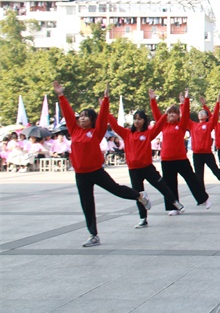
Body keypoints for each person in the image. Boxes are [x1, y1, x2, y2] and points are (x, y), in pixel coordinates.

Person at [54, 81, 152, 247]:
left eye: (86, 116)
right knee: (87, 204)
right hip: (81, 174)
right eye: (81, 115)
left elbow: (103, 117)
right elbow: (69, 114)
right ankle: (93, 235)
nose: (82, 118)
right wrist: (61, 95)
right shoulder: (74, 130)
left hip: (96, 171)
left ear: (92, 120)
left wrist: (106, 99)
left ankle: (139, 196)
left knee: (116, 190)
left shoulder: (96, 132)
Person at [108, 104, 185, 228]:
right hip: (133, 169)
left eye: (139, 119)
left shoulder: (148, 133)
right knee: (139, 195)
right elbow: (114, 126)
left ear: (144, 121)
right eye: (135, 119)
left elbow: (159, 126)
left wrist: (165, 114)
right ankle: (143, 218)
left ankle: (175, 202)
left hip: (147, 167)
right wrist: (106, 109)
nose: (137, 121)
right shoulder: (127, 133)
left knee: (162, 185)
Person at [150, 89, 211, 214]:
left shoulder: (181, 125)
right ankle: (174, 207)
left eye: (174, 113)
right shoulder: (164, 125)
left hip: (181, 159)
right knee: (170, 183)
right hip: (166, 159)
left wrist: (186, 100)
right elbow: (157, 115)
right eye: (169, 113)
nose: (172, 115)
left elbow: (186, 114)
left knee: (192, 179)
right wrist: (152, 101)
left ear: (178, 115)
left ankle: (203, 198)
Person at [194, 96, 220, 196]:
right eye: (200, 113)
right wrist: (183, 103)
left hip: (207, 154)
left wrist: (217, 103)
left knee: (216, 171)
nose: (201, 113)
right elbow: (184, 117)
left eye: (203, 113)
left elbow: (213, 116)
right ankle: (202, 195)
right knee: (199, 176)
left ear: (206, 116)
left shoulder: (209, 125)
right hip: (197, 154)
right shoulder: (193, 125)